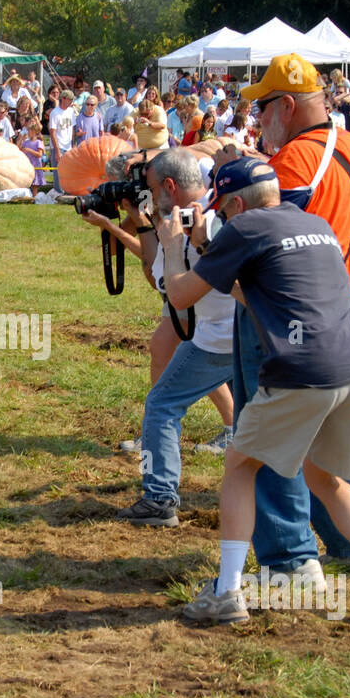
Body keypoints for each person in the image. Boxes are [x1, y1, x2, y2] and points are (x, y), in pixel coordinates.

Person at [159, 158, 350, 623]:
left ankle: (227, 590)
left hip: (301, 370)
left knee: (241, 466)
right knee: (327, 479)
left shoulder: (245, 228)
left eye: (224, 210)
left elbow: (179, 296)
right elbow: (262, 294)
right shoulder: (315, 224)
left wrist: (174, 245)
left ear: (237, 204)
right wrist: (208, 246)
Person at [222, 52, 350, 577]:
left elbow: (260, 244)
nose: (257, 119)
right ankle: (349, 545)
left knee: (269, 441)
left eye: (263, 107)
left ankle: (290, 558)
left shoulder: (287, 163)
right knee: (333, 448)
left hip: (285, 313)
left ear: (287, 106)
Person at [114, 149, 237, 526]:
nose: (147, 196)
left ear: (169, 185)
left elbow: (168, 287)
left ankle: (159, 498)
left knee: (163, 405)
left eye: (150, 188)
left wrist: (166, 241)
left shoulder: (191, 226)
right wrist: (144, 222)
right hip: (251, 333)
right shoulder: (222, 209)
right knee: (260, 422)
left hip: (217, 338)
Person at [16, 113, 46, 185]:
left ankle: (34, 196)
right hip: (27, 164)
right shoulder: (26, 142)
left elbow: (39, 154)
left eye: (29, 131)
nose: (28, 133)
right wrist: (21, 140)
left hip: (35, 165)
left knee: (35, 184)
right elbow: (18, 148)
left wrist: (29, 150)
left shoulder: (38, 142)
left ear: (34, 132)